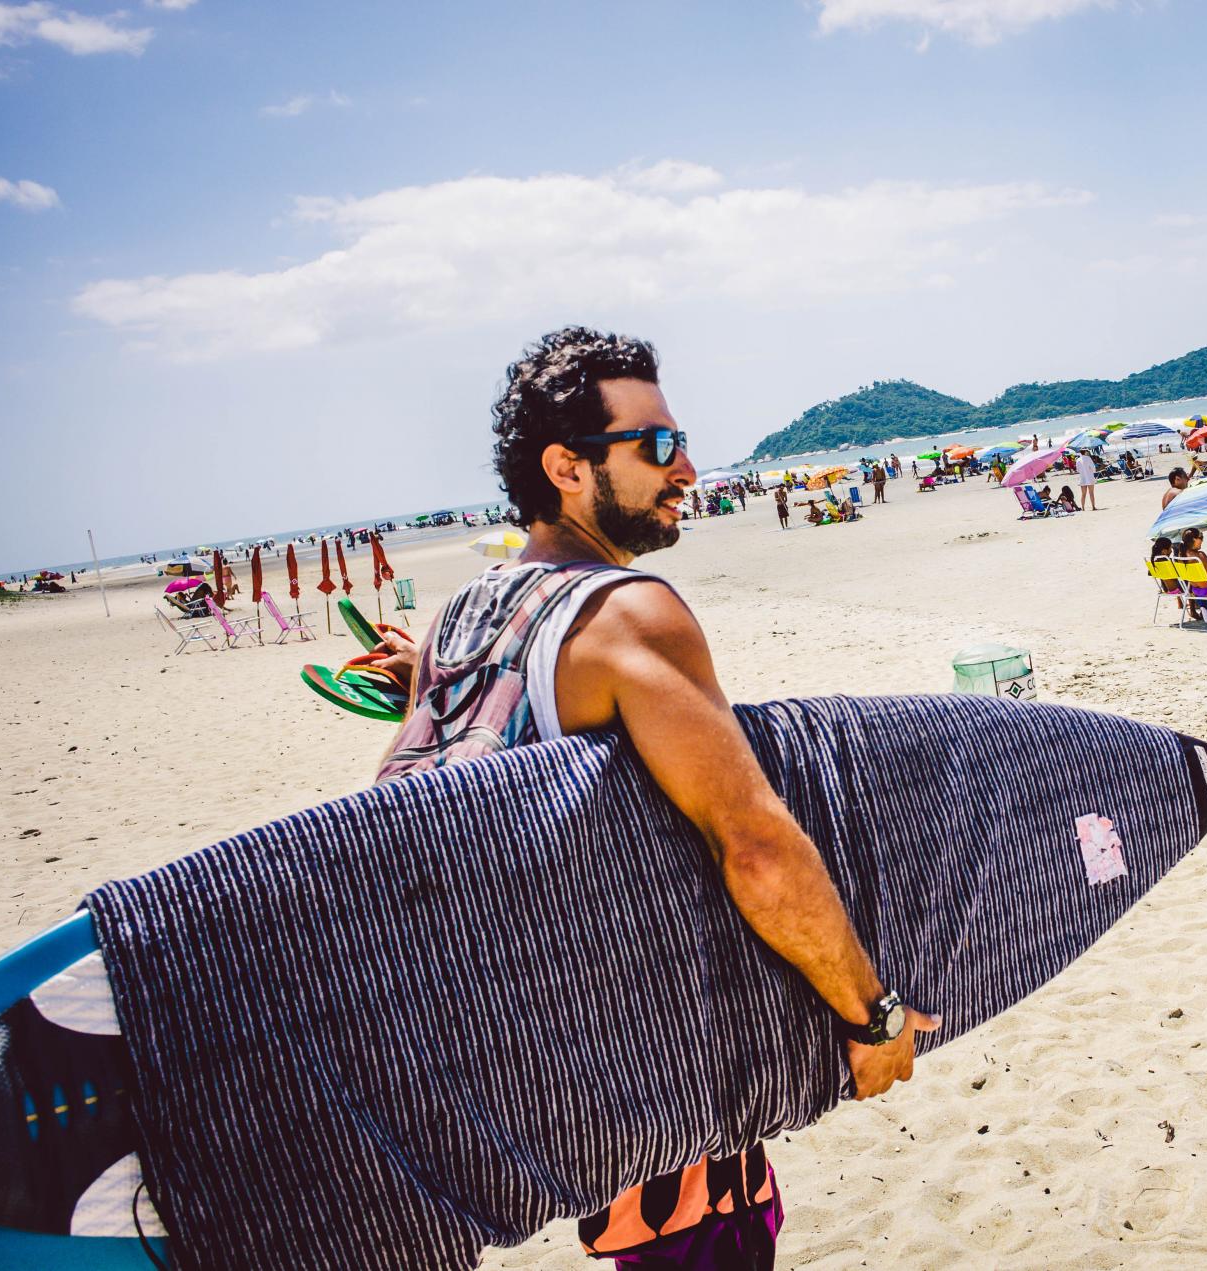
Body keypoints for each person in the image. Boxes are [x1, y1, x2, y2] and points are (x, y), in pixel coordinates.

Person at [370, 328, 936, 1269]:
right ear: (566, 466)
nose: (688, 467)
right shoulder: (629, 612)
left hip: (531, 1062)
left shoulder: (464, 612)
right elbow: (754, 844)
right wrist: (870, 1017)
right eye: (658, 446)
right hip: (648, 1060)